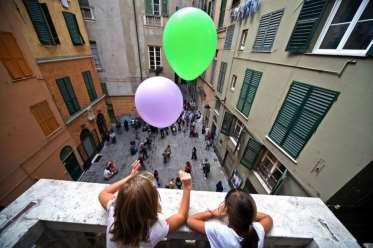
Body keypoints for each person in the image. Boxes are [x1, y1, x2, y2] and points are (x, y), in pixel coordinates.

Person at [99, 161, 192, 248]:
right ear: (151, 207)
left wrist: (130, 177)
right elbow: (181, 216)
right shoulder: (153, 232)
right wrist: (187, 187)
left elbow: (103, 194)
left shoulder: (114, 214)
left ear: (119, 201)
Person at [187, 189, 273, 248]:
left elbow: (190, 220)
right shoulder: (258, 231)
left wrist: (214, 213)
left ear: (228, 212)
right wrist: (245, 213)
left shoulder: (220, 232)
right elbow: (268, 218)